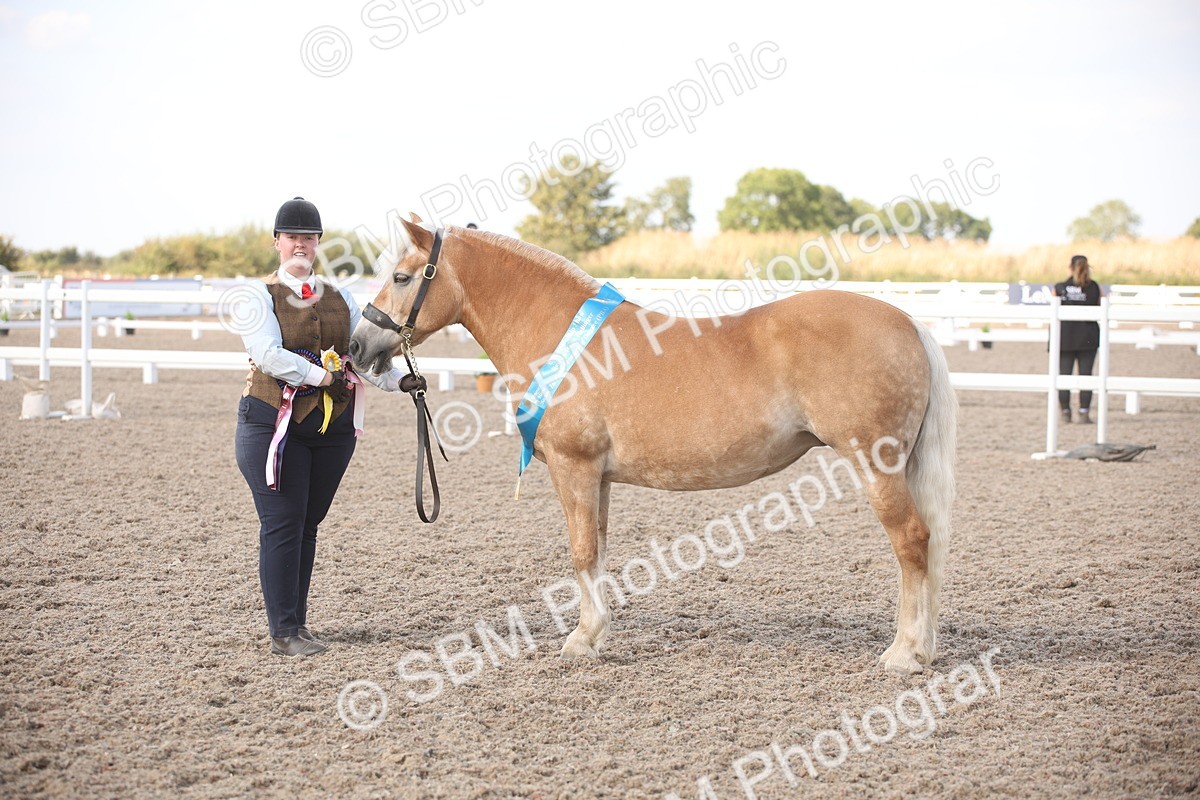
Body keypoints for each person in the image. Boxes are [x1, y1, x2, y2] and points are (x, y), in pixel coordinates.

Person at [235, 197, 407, 658]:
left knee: (307, 524)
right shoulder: (257, 296)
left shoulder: (340, 296)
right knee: (283, 522)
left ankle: (298, 624)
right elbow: (269, 355)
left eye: (307, 237)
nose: (300, 244)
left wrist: (398, 380)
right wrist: (322, 376)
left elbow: (359, 354)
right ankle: (283, 631)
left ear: (316, 244)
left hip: (330, 430)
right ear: (276, 242)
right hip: (273, 424)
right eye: (291, 236)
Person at [1053, 255, 1103, 424]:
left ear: (1070, 268)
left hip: (1065, 338)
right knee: (1086, 376)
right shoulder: (1094, 287)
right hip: (1087, 338)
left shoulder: (1060, 287)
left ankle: (1066, 411)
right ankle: (1083, 412)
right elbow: (1101, 304)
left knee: (1063, 376)